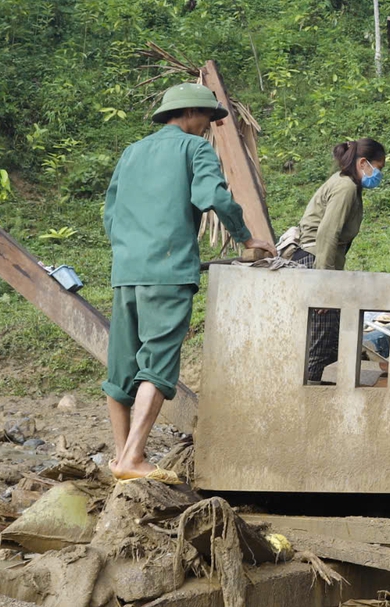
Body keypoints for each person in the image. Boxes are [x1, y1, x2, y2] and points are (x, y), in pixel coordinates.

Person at [101, 83, 275, 479]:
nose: (209, 127)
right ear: (191, 114)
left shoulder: (132, 153)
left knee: (121, 368)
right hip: (168, 272)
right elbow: (213, 196)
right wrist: (247, 237)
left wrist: (130, 250)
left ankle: (120, 457)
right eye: (208, 119)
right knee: (157, 364)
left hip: (126, 272)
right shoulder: (194, 149)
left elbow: (110, 214)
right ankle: (133, 458)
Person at [293, 138, 388, 383]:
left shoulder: (348, 184)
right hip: (316, 261)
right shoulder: (345, 187)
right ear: (363, 162)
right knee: (322, 338)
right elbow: (327, 232)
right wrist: (324, 284)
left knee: (328, 335)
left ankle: (311, 384)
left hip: (321, 261)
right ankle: (309, 388)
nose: (378, 173)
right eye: (378, 167)